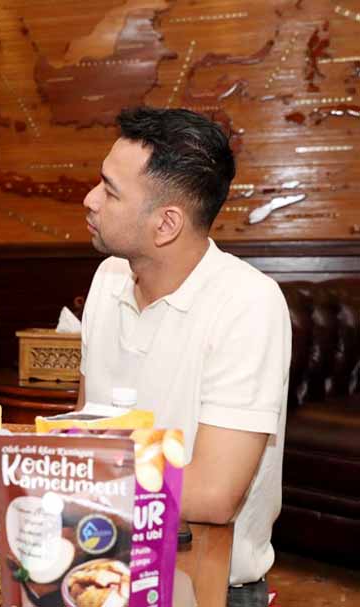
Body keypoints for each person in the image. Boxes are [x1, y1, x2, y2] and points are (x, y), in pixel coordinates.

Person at [78, 107, 291, 606]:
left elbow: (214, 494)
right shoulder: (108, 278)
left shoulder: (248, 303)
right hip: (106, 564)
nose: (90, 199)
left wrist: (58, 473)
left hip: (209, 585)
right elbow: (85, 428)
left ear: (166, 223)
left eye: (110, 191)